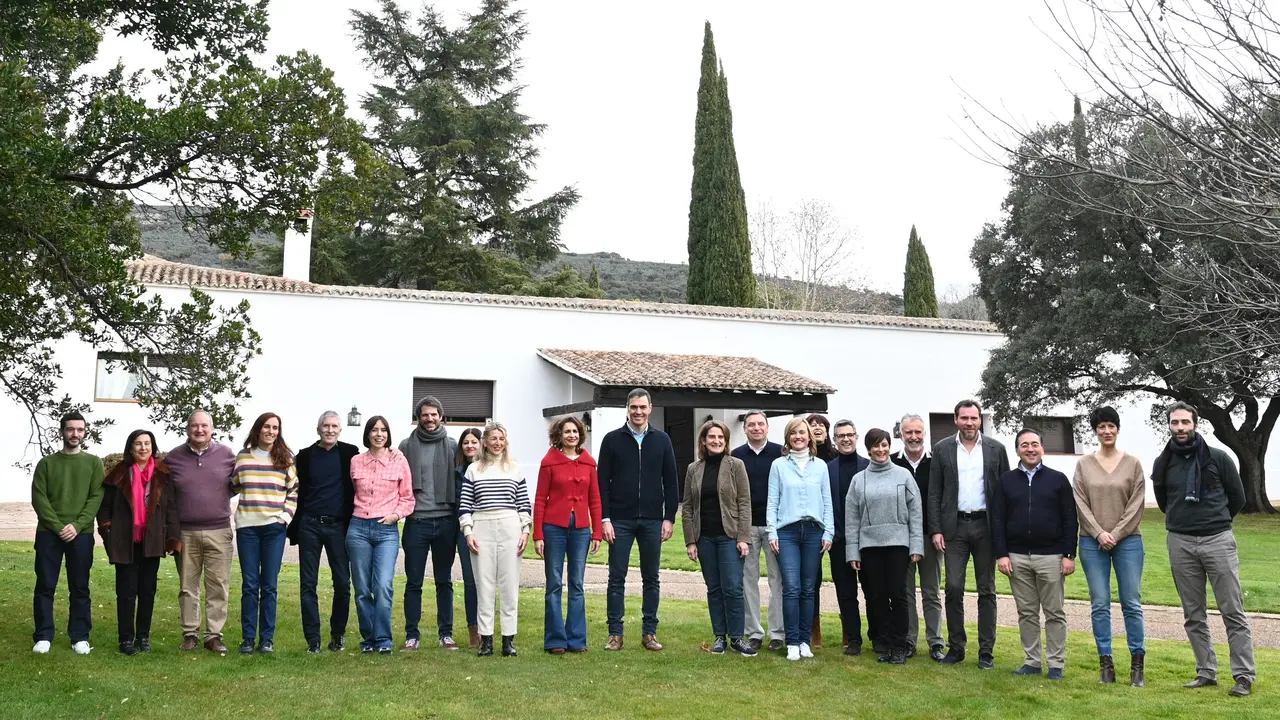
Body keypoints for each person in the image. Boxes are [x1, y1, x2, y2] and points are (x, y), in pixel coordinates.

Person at [1154, 402, 1254, 697]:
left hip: (1217, 541)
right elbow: (1163, 502)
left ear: (1195, 423)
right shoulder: (1164, 462)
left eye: (1185, 422)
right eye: (1175, 423)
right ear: (1169, 426)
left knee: (1232, 611)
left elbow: (1238, 498)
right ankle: (1206, 672)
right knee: (1193, 613)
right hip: (1180, 542)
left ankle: (1244, 676)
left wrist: (1214, 522)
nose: (1180, 428)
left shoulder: (1219, 458)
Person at [928, 399, 1010, 669]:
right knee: (953, 587)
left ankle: (986, 651)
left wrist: (1003, 531)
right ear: (955, 420)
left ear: (980, 420)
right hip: (955, 528)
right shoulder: (942, 449)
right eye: (964, 418)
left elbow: (1005, 492)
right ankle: (956, 647)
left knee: (987, 590)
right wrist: (936, 528)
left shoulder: (996, 449)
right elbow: (935, 492)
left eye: (973, 418)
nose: (969, 423)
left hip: (986, 527)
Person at [598, 388, 679, 652]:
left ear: (650, 409)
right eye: (634, 407)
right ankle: (615, 634)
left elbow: (671, 482)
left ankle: (649, 632)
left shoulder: (663, 440)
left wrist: (669, 518)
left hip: (653, 520)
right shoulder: (611, 440)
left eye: (642, 407)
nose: (638, 412)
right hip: (619, 519)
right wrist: (605, 518)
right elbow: (602, 484)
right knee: (616, 577)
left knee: (651, 578)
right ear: (627, 408)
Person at [992, 428, 1077, 680]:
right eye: (1024, 445)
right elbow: (997, 520)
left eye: (1035, 444)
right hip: (1016, 557)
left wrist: (1069, 554)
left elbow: (1070, 518)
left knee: (1054, 612)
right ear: (1017, 450)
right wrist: (1002, 554)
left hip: (1051, 557)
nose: (1030, 449)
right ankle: (1031, 661)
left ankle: (1055, 664)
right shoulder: (1006, 481)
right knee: (1026, 612)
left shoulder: (1058, 479)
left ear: (1042, 448)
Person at [1073, 406, 1147, 686]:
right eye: (1101, 426)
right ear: (1095, 431)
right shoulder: (1084, 465)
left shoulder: (1133, 464)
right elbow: (1080, 502)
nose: (1106, 431)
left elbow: (1136, 504)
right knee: (1100, 603)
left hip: (1128, 542)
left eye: (1111, 426)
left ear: (1118, 429)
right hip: (1092, 544)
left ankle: (1137, 665)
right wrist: (1098, 533)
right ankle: (1106, 663)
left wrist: (1114, 533)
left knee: (1131, 603)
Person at [97, 430, 181, 655]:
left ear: (153, 447)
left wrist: (172, 539)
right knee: (126, 592)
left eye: (147, 444)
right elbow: (104, 508)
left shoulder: (164, 474)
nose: (143, 448)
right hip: (124, 540)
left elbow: (172, 508)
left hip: (152, 541)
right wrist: (107, 531)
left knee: (147, 591)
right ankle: (125, 639)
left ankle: (143, 637)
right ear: (130, 448)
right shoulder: (118, 474)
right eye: (138, 444)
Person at [845, 428, 924, 665]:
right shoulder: (859, 480)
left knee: (898, 595)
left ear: (890, 446)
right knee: (877, 597)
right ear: (868, 449)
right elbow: (852, 518)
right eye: (876, 446)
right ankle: (886, 644)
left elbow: (916, 512)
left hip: (898, 544)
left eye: (885, 445)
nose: (881, 450)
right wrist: (853, 551)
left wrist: (916, 545)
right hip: (870, 546)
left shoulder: (904, 476)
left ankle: (900, 646)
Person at [31, 411, 105, 655]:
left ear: (85, 432)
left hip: (81, 534)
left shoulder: (94, 463)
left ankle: (80, 636)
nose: (75, 434)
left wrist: (77, 524)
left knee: (80, 586)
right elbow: (39, 498)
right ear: (62, 431)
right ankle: (43, 635)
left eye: (80, 430)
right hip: (49, 534)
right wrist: (57, 526)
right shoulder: (47, 464)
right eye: (71, 429)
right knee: (45, 585)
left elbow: (96, 497)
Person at [682, 420, 756, 657]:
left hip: (729, 536)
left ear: (726, 441)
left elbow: (744, 503)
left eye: (720, 438)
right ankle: (719, 637)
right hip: (704, 538)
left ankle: (737, 638)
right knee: (714, 588)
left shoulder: (736, 466)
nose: (715, 441)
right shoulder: (694, 469)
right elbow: (687, 507)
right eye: (711, 437)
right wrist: (690, 540)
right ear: (703, 441)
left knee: (733, 588)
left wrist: (743, 537)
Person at [288, 410, 359, 654]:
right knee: (308, 583)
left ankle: (337, 635)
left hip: (338, 526)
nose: (330, 430)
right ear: (318, 429)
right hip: (309, 525)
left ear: (340, 430)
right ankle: (313, 640)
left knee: (343, 583)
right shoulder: (305, 457)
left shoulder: (350, 454)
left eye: (334, 426)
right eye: (325, 426)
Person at [167, 410, 237, 652]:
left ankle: (213, 635)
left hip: (219, 530)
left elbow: (238, 484)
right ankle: (190, 634)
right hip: (186, 533)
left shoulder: (228, 455)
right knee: (188, 587)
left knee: (218, 585)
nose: (199, 430)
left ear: (212, 428)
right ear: (187, 428)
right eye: (194, 426)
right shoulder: (173, 458)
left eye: (204, 426)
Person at [461, 423, 532, 657]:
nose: (497, 443)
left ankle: (508, 640)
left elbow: (523, 504)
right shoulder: (473, 470)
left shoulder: (514, 469)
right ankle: (487, 639)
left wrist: (525, 530)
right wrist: (468, 531)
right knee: (485, 584)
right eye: (493, 438)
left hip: (510, 525)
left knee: (509, 585)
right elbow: (465, 506)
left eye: (501, 438)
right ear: (485, 441)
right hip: (482, 526)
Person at [767, 417, 834, 661]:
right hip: (787, 532)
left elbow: (827, 501)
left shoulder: (821, 466)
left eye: (802, 432)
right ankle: (792, 642)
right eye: (794, 433)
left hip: (814, 532)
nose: (798, 436)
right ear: (788, 437)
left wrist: (829, 532)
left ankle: (805, 640)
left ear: (810, 437)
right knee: (792, 588)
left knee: (808, 589)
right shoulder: (778, 466)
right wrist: (772, 532)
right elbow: (772, 501)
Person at [534, 416, 602, 654]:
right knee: (553, 583)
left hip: (581, 529)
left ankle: (576, 639)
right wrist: (538, 534)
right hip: (554, 527)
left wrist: (597, 533)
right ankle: (555, 640)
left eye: (575, 431)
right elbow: (540, 499)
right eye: (567, 432)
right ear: (559, 435)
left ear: (580, 435)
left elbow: (595, 499)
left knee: (577, 583)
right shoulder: (549, 462)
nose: (572, 435)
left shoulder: (589, 463)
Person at [347, 415, 415, 654]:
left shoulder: (399, 461)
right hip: (358, 529)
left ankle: (384, 638)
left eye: (383, 430)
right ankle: (369, 638)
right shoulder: (355, 461)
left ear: (388, 434)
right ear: (367, 434)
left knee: (383, 585)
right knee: (363, 588)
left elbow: (408, 498)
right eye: (374, 430)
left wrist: (395, 516)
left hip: (386, 529)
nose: (379, 434)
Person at [231, 412, 298, 654]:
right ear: (258, 429)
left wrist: (284, 518)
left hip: (274, 529)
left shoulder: (285, 460)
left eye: (275, 428)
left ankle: (266, 639)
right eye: (267, 427)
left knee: (269, 585)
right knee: (250, 585)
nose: (271, 431)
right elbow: (234, 485)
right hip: (247, 528)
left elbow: (294, 491)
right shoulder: (243, 457)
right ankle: (248, 638)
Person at [398, 396, 461, 650]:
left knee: (444, 580)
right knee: (414, 582)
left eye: (434, 414)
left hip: (446, 522)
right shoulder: (405, 446)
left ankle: (446, 633)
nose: (430, 419)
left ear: (441, 416)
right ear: (418, 417)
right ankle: (411, 635)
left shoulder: (453, 446)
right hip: (417, 522)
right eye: (425, 415)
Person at [731, 410, 785, 652]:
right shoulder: (736, 456)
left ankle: (777, 633)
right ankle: (753, 632)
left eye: (760, 424)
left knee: (778, 580)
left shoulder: (780, 453)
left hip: (775, 526)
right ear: (744, 429)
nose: (755, 428)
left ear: (767, 427)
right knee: (747, 581)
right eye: (751, 424)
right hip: (747, 527)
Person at [892, 413, 943, 661]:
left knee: (931, 591)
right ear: (901, 434)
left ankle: (935, 642)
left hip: (930, 535)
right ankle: (909, 640)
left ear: (925, 434)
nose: (913, 437)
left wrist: (939, 530)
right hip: (901, 537)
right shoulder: (891, 463)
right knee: (906, 591)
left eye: (918, 432)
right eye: (908, 432)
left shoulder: (938, 462)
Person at [827, 419, 869, 655]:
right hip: (839, 541)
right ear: (834, 439)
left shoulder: (869, 466)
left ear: (856, 436)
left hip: (867, 541)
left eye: (849, 435)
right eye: (840, 435)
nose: (845, 439)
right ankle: (853, 640)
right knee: (846, 593)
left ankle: (878, 636)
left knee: (873, 592)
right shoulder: (828, 469)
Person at [805, 413, 836, 648]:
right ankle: (813, 629)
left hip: (838, 526)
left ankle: (849, 631)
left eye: (821, 425)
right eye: (812, 425)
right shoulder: (803, 460)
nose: (817, 428)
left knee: (843, 579)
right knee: (811, 581)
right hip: (812, 527)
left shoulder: (836, 457)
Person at [455, 428, 483, 648]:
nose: (470, 446)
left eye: (474, 441)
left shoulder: (488, 469)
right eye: (466, 442)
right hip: (464, 530)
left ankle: (487, 628)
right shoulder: (457, 471)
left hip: (488, 527)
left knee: (488, 581)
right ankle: (474, 630)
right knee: (471, 581)